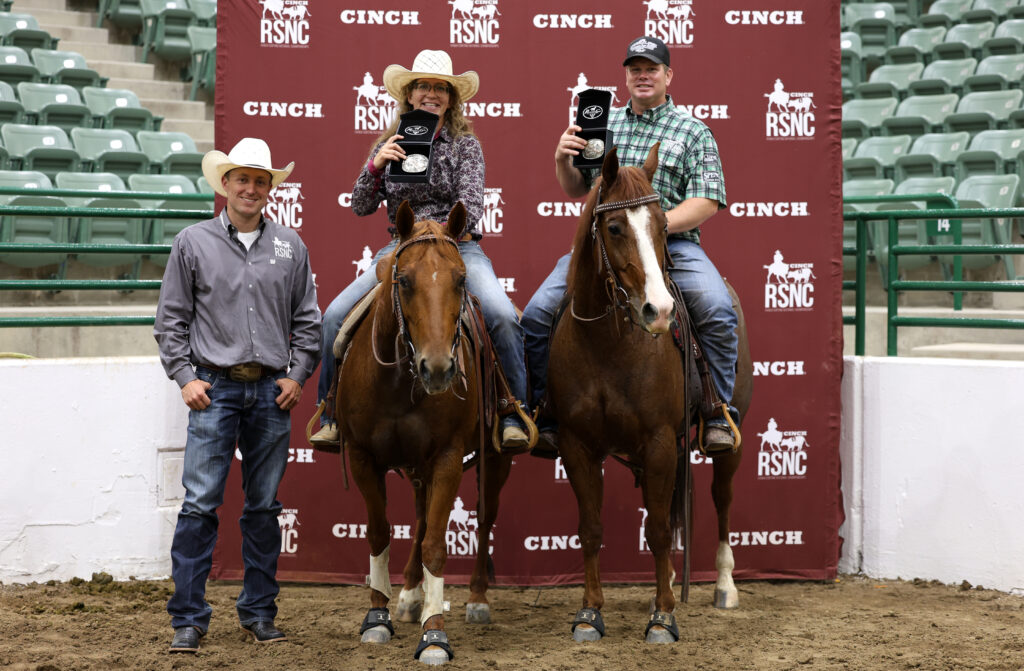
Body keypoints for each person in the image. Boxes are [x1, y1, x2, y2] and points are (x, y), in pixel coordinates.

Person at [522, 35, 740, 454]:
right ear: (626, 76)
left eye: (652, 68)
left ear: (667, 75)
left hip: (676, 245)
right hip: (608, 247)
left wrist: (652, 229)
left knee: (716, 307)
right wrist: (561, 160)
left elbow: (707, 200)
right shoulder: (601, 127)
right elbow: (576, 190)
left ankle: (717, 410)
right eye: (635, 69)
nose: (643, 76)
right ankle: (544, 408)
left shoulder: (693, 131)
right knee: (535, 315)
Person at [310, 49, 530, 449]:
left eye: (440, 88)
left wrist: (438, 235)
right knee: (332, 318)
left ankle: (512, 411)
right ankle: (331, 414)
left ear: (451, 98)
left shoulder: (465, 145)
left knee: (500, 313)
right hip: (399, 249)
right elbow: (360, 205)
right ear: (409, 95)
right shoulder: (388, 142)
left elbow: (472, 205)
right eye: (423, 86)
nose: (431, 93)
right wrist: (376, 165)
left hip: (457, 248)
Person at [154, 137, 322, 653]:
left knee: (263, 507)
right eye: (242, 179)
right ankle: (188, 617)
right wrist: (185, 377)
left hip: (272, 392)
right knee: (201, 505)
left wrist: (297, 375)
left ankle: (258, 613)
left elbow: (308, 322)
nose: (250, 188)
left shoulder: (291, 246)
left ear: (271, 188)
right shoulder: (193, 242)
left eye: (260, 180)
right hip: (215, 389)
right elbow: (171, 320)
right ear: (225, 184)